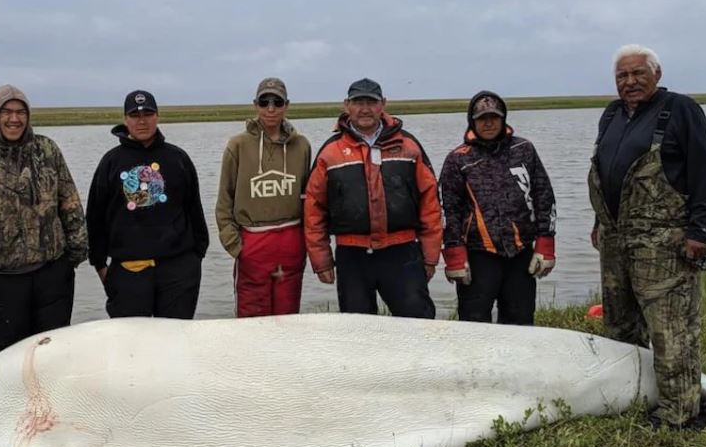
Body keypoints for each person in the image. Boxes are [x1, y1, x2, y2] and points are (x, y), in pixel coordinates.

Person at [589, 44, 706, 429]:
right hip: (616, 241)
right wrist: (600, 222)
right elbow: (605, 171)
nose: (629, 82)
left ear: (657, 74)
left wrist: (699, 232)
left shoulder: (681, 110)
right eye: (622, 76)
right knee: (619, 326)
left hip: (664, 244)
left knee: (670, 330)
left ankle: (679, 412)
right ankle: (628, 396)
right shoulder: (611, 114)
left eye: (637, 74)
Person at [0, 84, 87, 356]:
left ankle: (51, 401)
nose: (14, 119)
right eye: (7, 112)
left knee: (53, 353)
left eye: (20, 112)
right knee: (7, 358)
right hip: (1, 279)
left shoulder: (46, 149)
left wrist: (73, 257)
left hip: (52, 272)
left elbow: (69, 201)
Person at [303, 77, 442, 317]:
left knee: (419, 326)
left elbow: (430, 204)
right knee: (358, 333)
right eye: (358, 102)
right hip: (352, 256)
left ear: (383, 104)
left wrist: (430, 256)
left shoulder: (409, 146)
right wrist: (321, 260)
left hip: (403, 252)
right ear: (347, 106)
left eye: (371, 102)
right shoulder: (330, 152)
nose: (365, 109)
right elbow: (314, 210)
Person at [87, 90, 210, 318]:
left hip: (178, 273)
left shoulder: (178, 159)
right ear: (125, 119)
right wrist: (100, 265)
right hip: (128, 274)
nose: (141, 120)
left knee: (175, 343)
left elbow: (195, 211)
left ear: (157, 116)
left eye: (147, 113)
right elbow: (95, 218)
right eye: (134, 115)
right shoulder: (110, 162)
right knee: (132, 348)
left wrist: (195, 258)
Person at [440, 91, 557, 325]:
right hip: (478, 255)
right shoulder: (458, 159)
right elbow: (448, 211)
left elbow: (544, 195)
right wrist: (454, 254)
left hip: (520, 253)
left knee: (521, 321)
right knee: (474, 324)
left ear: (503, 118)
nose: (489, 123)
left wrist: (546, 242)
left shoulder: (524, 149)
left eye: (494, 117)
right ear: (472, 121)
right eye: (482, 118)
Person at [215, 77, 312, 317]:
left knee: (288, 319)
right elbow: (224, 200)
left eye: (277, 102)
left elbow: (309, 199)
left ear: (286, 105)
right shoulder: (237, 145)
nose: (270, 109)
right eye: (264, 102)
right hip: (253, 243)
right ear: (255, 104)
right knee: (252, 320)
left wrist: (307, 243)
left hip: (290, 243)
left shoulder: (301, 146)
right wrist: (236, 246)